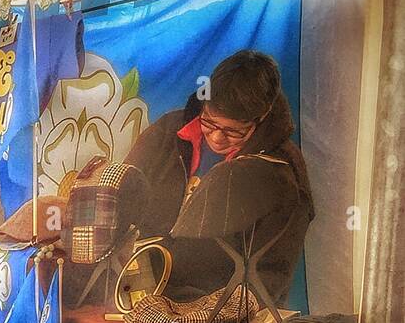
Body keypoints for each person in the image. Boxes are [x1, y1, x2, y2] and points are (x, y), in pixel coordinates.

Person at [122, 49, 314, 307]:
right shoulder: (166, 133)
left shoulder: (281, 171)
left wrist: (225, 311)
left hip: (223, 314)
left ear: (263, 115)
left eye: (234, 131)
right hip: (142, 294)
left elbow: (274, 269)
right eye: (209, 123)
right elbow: (123, 199)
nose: (216, 138)